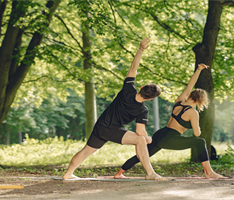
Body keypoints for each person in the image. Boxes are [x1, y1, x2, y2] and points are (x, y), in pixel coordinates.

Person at [63, 38, 165, 180]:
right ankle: (150, 173)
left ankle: (68, 174)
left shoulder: (128, 89)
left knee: (86, 151)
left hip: (100, 126)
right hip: (110, 130)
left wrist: (140, 49)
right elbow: (140, 132)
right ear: (150, 99)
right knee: (141, 140)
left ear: (142, 88)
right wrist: (148, 138)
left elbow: (133, 68)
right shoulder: (142, 110)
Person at [114, 63, 225, 179]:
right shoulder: (193, 112)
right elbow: (197, 134)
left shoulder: (180, 101)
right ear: (201, 101)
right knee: (200, 141)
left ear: (190, 95)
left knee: (142, 155)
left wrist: (198, 70)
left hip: (160, 134)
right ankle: (208, 172)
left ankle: (119, 173)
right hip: (170, 138)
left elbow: (190, 84)